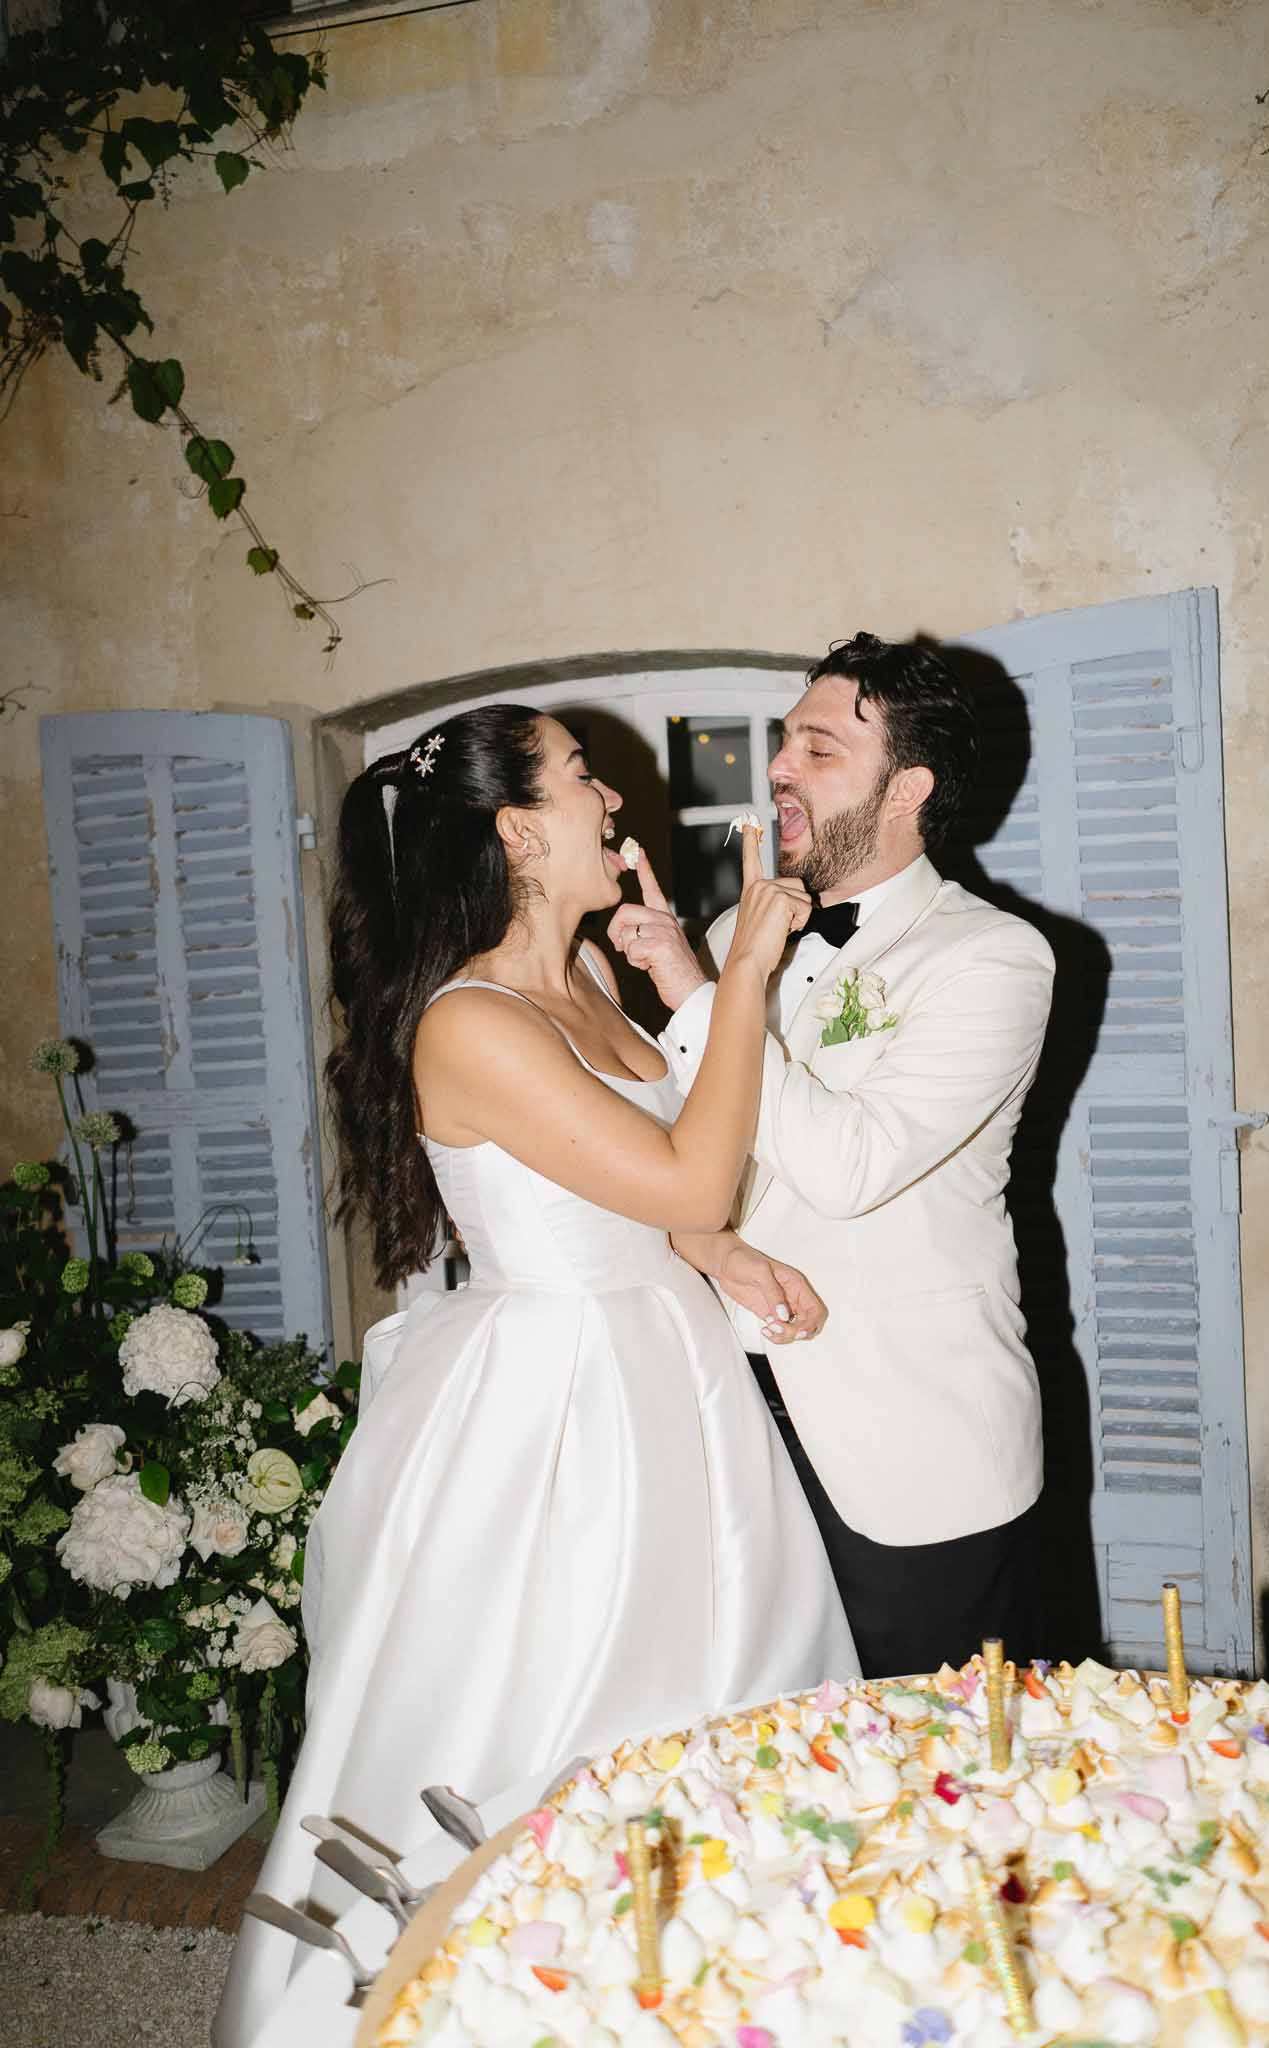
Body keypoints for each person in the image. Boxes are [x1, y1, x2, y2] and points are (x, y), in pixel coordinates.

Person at [213, 703, 855, 2048]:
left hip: (669, 1375)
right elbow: (690, 1156)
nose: (610, 796)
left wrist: (719, 1255)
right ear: (515, 829)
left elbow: (661, 1194)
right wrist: (740, 973)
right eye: (580, 777)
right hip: (560, 1423)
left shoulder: (587, 984)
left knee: (704, 1699)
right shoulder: (468, 1023)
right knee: (559, 1717)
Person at [610, 633, 1055, 1681]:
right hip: (735, 1431)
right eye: (784, 743)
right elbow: (685, 1164)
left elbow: (852, 1166)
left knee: (956, 1774)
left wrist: (697, 997)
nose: (777, 768)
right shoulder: (733, 938)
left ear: (907, 789)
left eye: (818, 747)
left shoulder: (992, 956)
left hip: (914, 1448)